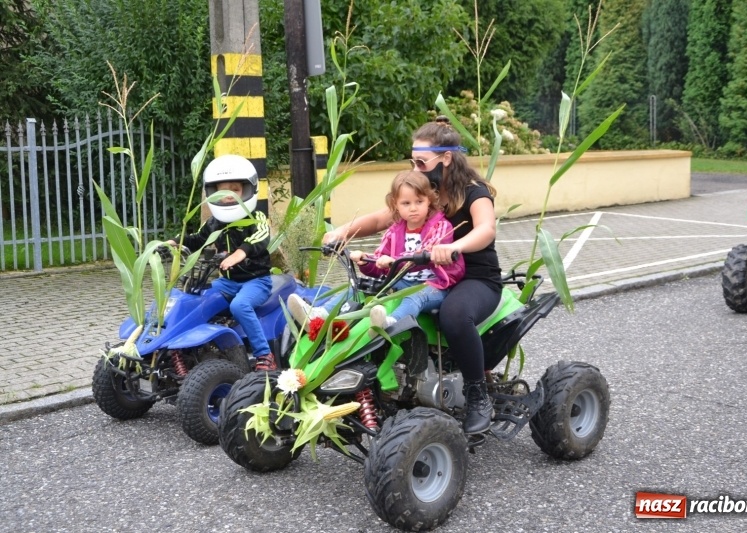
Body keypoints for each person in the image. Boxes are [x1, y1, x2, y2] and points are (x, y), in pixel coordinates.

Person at [323, 117, 502, 434]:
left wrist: (454, 247)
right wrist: (341, 232)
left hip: (473, 277)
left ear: (446, 158)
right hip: (425, 272)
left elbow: (487, 229)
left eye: (422, 161)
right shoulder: (423, 192)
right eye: (413, 161)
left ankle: (478, 394)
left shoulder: (475, 193)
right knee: (367, 296)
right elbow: (382, 218)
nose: (416, 168)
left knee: (455, 315)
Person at [287, 170, 465, 333]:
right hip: (400, 282)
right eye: (406, 203)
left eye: (419, 202)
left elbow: (428, 250)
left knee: (415, 297)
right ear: (395, 205)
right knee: (360, 286)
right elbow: (380, 259)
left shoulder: (441, 226)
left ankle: (390, 323)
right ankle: (319, 314)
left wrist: (392, 260)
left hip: (434, 286)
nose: (413, 208)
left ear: (430, 201)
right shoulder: (394, 231)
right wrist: (366, 260)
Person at [168, 154, 277, 372]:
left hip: (256, 281)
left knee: (240, 306)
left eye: (234, 190)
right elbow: (198, 239)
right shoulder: (213, 223)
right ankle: (193, 349)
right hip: (227, 282)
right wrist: (177, 242)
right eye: (222, 191)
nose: (228, 196)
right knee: (197, 298)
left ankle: (264, 355)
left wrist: (239, 253)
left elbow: (260, 238)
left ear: (247, 190)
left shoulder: (257, 219)